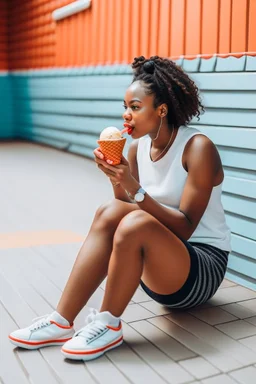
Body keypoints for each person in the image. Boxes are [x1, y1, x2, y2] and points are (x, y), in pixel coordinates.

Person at [8, 55, 231, 361]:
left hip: (200, 268)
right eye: (125, 107)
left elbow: (184, 227)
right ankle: (61, 320)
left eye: (135, 107)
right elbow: (123, 206)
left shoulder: (198, 148)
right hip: (158, 264)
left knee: (135, 224)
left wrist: (134, 187)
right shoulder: (139, 147)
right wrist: (117, 178)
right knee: (108, 212)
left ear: (162, 109)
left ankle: (108, 324)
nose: (126, 115)